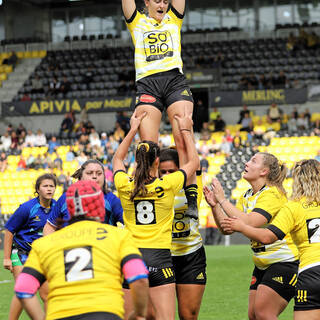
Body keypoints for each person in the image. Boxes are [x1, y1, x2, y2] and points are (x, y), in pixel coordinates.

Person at [15, 180, 149, 320]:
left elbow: (23, 289)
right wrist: (139, 314)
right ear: (100, 205)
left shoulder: (44, 244)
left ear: (68, 208)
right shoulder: (119, 236)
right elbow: (139, 278)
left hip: (60, 315)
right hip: (105, 313)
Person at [113, 110, 199, 320]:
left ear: (136, 160)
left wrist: (133, 129)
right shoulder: (167, 184)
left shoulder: (124, 185)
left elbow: (117, 158)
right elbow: (193, 163)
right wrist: (186, 130)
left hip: (131, 258)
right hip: (160, 258)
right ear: (157, 162)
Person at [122, 0, 198, 220]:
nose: (162, 4)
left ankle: (190, 198)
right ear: (146, 2)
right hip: (147, 84)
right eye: (157, 0)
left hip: (175, 81)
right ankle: (153, 192)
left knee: (183, 136)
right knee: (148, 148)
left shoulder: (173, 19)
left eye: (166, 0)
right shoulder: (137, 22)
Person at [203, 152, 299, 320]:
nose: (247, 163)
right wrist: (214, 206)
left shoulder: (273, 194)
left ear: (264, 171)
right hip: (262, 265)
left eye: (253, 161)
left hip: (284, 262)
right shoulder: (247, 195)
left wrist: (223, 200)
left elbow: (250, 222)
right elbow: (227, 228)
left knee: (264, 313)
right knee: (254, 315)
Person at [222, 159, 320, 320]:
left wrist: (242, 227)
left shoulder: (294, 207)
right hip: (268, 264)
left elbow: (267, 236)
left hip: (310, 272)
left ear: (298, 180)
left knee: (263, 313)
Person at [159, 148, 206, 320]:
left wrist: (185, 129)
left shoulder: (194, 185)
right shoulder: (156, 190)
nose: (167, 175)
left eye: (172, 171)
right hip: (163, 257)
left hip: (191, 257)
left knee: (189, 315)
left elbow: (193, 158)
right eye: (162, 172)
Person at [3, 174, 57, 320]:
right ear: (38, 189)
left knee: (47, 295)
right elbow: (9, 231)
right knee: (24, 291)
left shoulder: (58, 208)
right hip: (21, 253)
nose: (49, 189)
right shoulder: (27, 208)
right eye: (45, 186)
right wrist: (7, 258)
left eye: (51, 186)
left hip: (43, 257)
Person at [43, 159, 123, 235]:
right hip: (69, 247)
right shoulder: (66, 197)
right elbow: (50, 226)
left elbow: (128, 224)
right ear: (80, 177)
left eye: (99, 173)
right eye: (89, 173)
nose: (95, 176)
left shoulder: (112, 199)